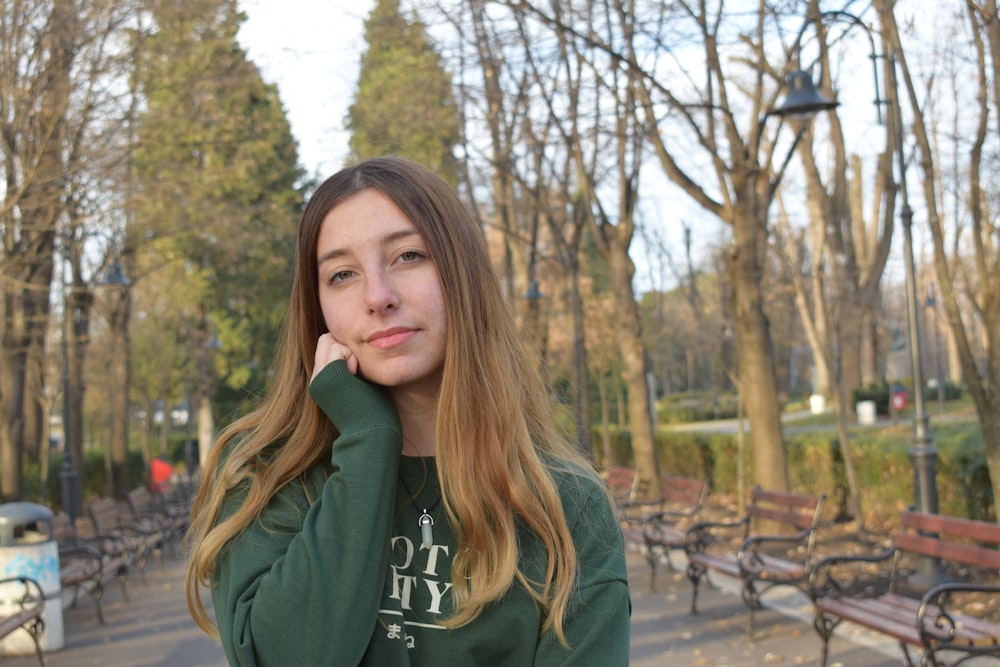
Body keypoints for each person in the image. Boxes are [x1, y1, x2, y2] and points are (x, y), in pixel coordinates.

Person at [184, 155, 630, 665]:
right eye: (343, 273)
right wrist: (369, 438)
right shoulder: (265, 473)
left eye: (408, 256)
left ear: (462, 273)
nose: (378, 297)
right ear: (318, 305)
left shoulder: (566, 506)